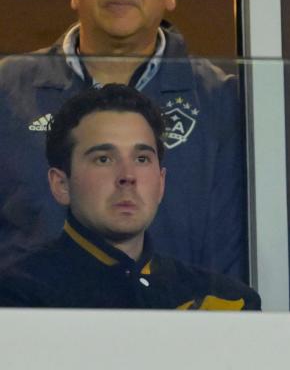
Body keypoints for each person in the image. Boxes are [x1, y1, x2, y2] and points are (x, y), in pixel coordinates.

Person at [0, 0, 246, 279]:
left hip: (180, 332)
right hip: (31, 332)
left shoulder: (222, 101)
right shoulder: (7, 90)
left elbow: (233, 261)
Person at [0, 85, 259, 309]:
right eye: (103, 159)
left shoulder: (225, 302)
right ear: (61, 184)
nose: (127, 176)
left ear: (161, 182)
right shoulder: (18, 296)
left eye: (142, 159)